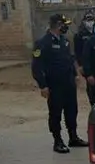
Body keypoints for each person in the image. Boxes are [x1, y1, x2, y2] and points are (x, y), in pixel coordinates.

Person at [32, 13, 87, 153]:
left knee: (71, 111)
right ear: (57, 25)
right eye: (64, 25)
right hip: (54, 85)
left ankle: (73, 137)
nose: (66, 27)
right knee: (56, 113)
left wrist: (75, 75)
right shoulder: (42, 43)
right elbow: (36, 67)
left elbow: (69, 59)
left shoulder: (64, 40)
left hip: (68, 83)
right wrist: (43, 85)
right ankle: (57, 141)